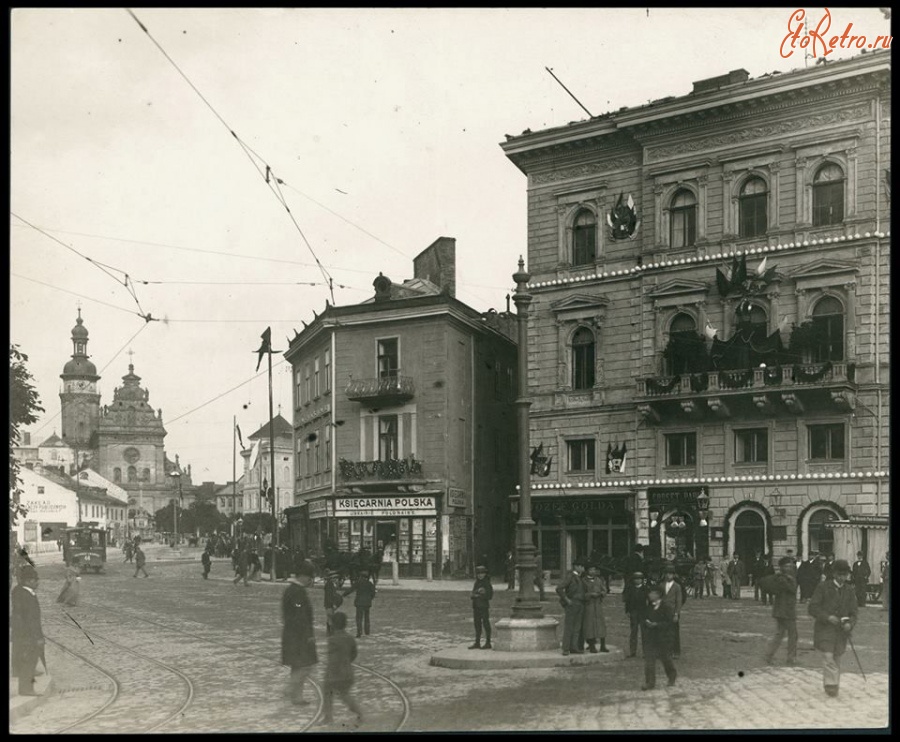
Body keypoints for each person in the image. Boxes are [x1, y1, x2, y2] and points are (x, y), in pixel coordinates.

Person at [808, 559, 858, 697]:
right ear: (834, 574)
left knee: (836, 656)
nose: (842, 577)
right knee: (828, 655)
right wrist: (827, 617)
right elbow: (812, 607)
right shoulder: (823, 587)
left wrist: (850, 624)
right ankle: (831, 684)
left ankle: (833, 682)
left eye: (845, 574)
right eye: (840, 574)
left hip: (841, 631)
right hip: (825, 629)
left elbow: (854, 612)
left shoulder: (849, 590)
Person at [282, 561, 318, 706]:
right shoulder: (297, 592)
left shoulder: (292, 590)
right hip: (299, 636)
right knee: (305, 666)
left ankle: (297, 697)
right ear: (303, 576)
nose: (311, 580)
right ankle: (290, 689)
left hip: (291, 634)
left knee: (297, 667)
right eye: (310, 577)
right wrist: (308, 635)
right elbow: (300, 615)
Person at [321, 611, 363, 726]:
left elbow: (332, 659)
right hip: (348, 672)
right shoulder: (350, 638)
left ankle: (328, 717)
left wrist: (329, 673)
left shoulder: (332, 639)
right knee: (345, 694)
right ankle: (359, 712)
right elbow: (354, 654)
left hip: (335, 673)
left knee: (327, 692)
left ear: (333, 625)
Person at [11, 564, 45, 696]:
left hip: (22, 634)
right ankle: (26, 689)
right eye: (36, 580)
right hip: (28, 635)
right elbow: (32, 620)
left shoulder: (19, 591)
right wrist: (38, 637)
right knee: (29, 661)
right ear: (29, 581)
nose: (38, 583)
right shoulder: (27, 596)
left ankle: (27, 687)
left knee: (28, 660)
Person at [759, 556, 798, 666]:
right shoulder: (783, 579)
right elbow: (792, 589)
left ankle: (769, 655)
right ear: (782, 567)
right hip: (785, 611)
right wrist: (791, 579)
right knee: (792, 634)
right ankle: (791, 658)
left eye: (790, 565)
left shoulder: (785, 577)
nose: (790, 567)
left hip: (782, 610)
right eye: (787, 565)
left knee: (780, 634)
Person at [640, 586, 677, 690]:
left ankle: (672, 676)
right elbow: (643, 618)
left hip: (664, 637)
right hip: (651, 637)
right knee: (649, 661)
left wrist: (656, 625)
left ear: (658, 595)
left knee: (666, 659)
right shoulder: (649, 607)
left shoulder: (666, 607)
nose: (649, 595)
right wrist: (646, 624)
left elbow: (669, 623)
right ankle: (650, 682)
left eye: (652, 593)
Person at [556, 557, 586, 656]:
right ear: (576, 566)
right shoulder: (570, 576)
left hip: (580, 603)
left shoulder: (581, 578)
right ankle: (566, 648)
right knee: (569, 626)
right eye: (581, 566)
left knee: (577, 627)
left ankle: (574, 647)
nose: (583, 568)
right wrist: (567, 600)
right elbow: (559, 588)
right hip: (572, 603)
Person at [581, 563, 608, 653]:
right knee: (590, 626)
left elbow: (604, 590)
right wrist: (590, 595)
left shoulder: (599, 580)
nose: (593, 571)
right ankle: (591, 645)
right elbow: (581, 594)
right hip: (589, 606)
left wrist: (601, 594)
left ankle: (603, 645)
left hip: (598, 605)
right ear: (587, 571)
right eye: (591, 570)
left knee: (601, 625)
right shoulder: (583, 581)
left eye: (594, 569)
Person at [343, 569, 377, 638]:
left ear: (361, 576)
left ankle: (359, 632)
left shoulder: (358, 583)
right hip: (367, 603)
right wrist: (369, 599)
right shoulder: (370, 584)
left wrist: (344, 594)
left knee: (359, 618)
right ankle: (367, 631)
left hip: (359, 603)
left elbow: (351, 589)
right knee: (367, 617)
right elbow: (373, 593)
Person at [660, 563, 684, 659]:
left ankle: (676, 651)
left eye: (670, 574)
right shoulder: (661, 585)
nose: (668, 575)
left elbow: (679, 601)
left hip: (672, 612)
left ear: (674, 575)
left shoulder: (677, 586)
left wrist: (676, 614)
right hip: (663, 612)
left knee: (674, 632)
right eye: (667, 573)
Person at [623, 571, 648, 658]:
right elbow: (627, 601)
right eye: (636, 579)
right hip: (633, 612)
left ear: (642, 580)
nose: (637, 581)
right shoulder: (630, 589)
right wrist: (627, 611)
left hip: (643, 612)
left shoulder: (646, 589)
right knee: (633, 632)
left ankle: (646, 652)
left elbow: (649, 602)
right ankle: (632, 651)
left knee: (644, 633)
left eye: (639, 579)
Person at [469, 564, 494, 649]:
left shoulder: (487, 583)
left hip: (483, 606)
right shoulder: (477, 583)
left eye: (482, 573)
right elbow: (472, 594)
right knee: (477, 624)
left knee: (486, 624)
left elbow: (490, 596)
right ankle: (477, 642)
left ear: (485, 574)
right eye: (478, 573)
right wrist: (475, 595)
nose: (480, 575)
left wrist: (479, 595)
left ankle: (488, 642)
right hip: (476, 606)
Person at [324, 569, 343, 636]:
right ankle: (330, 632)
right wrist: (333, 604)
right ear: (332, 578)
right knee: (330, 617)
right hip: (329, 604)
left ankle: (329, 632)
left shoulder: (331, 584)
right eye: (335, 578)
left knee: (329, 617)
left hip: (328, 604)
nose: (336, 579)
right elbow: (329, 596)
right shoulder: (329, 585)